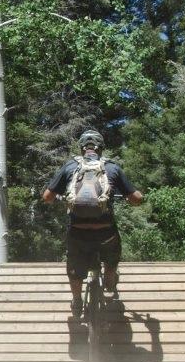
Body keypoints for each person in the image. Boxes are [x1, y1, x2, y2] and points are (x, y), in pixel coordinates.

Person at [42, 129, 143, 317]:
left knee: (74, 267)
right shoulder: (112, 168)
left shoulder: (69, 167)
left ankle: (77, 300)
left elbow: (47, 197)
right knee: (112, 255)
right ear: (101, 149)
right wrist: (137, 198)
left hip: (77, 232)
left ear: (82, 149)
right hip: (105, 232)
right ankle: (110, 280)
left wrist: (62, 198)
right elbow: (136, 199)